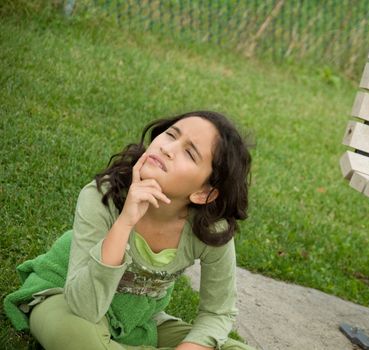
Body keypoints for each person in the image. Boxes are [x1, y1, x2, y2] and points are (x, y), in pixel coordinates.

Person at [3, 111, 254, 350]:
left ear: (203, 193)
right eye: (171, 135)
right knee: (76, 337)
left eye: (189, 153)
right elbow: (85, 307)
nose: (168, 148)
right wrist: (125, 222)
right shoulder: (102, 197)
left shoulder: (211, 231)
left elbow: (217, 312)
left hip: (137, 321)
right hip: (65, 299)